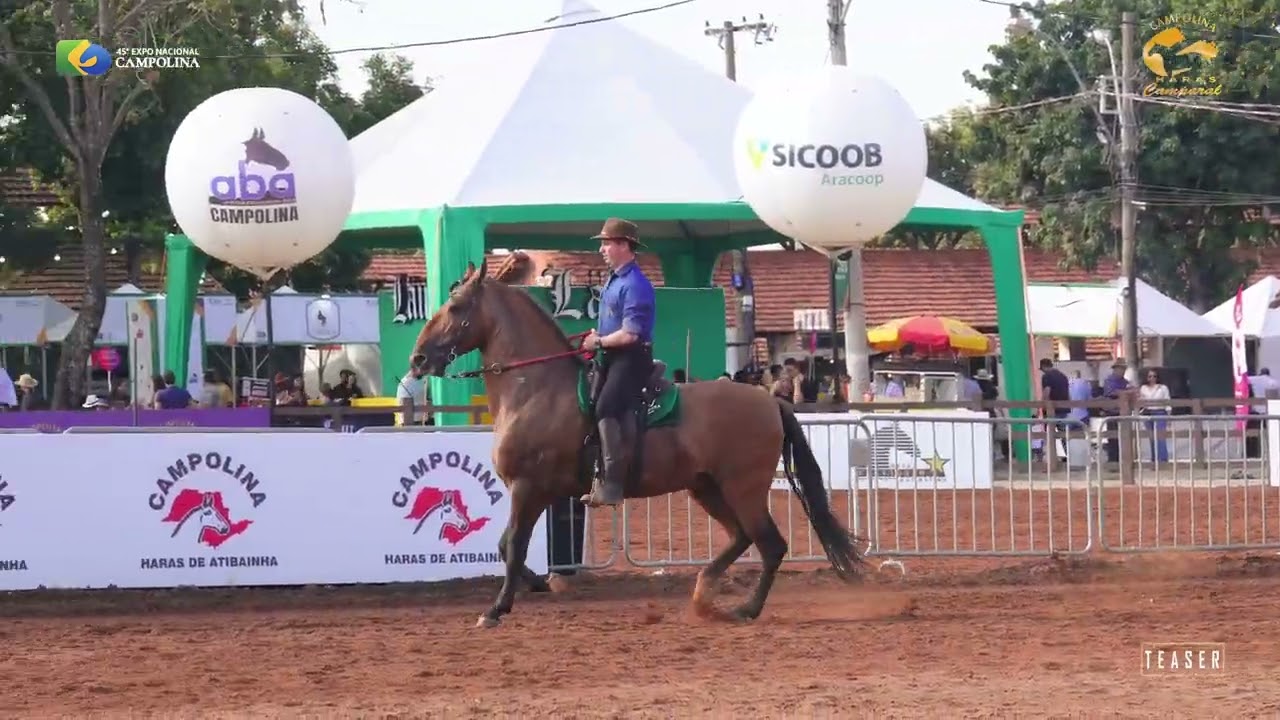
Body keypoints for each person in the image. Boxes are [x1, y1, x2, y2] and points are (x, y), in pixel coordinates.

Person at [580, 217, 656, 508]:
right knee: (588, 404)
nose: (602, 249)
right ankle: (597, 475)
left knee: (605, 407)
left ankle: (613, 482)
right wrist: (598, 336)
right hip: (611, 355)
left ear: (624, 245)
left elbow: (629, 335)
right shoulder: (615, 280)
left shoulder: (635, 284)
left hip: (632, 357)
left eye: (606, 243)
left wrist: (598, 342)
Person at [1138, 368, 1171, 462]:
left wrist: (1168, 417)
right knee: (1151, 437)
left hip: (1160, 412)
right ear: (1146, 378)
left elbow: (1167, 401)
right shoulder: (1143, 388)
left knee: (1160, 436)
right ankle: (1154, 459)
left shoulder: (1163, 387)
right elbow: (1140, 400)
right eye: (1150, 376)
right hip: (1147, 412)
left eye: (1154, 376)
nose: (1152, 378)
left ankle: (1163, 460)